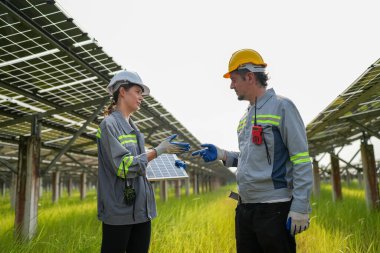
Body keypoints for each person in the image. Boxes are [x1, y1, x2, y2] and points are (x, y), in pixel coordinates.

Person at [192, 49, 312, 253]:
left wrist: (300, 206)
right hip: (245, 209)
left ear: (249, 76)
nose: (231, 86)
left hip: (274, 209)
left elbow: (300, 158)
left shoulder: (282, 107)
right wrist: (221, 154)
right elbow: (249, 158)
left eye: (234, 79)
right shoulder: (245, 117)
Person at [96, 70, 190, 253]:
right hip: (119, 212)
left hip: (141, 210)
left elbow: (141, 165)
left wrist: (171, 164)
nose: (141, 97)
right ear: (122, 91)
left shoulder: (134, 128)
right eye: (138, 91)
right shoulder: (109, 125)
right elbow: (123, 166)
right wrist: (158, 150)